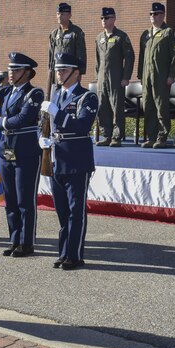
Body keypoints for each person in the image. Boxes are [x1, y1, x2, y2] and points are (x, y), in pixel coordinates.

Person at [40, 53, 98, 270]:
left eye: (63, 70)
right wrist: (42, 138)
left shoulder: (87, 98)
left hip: (77, 161)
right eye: (57, 70)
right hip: (56, 160)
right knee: (62, 210)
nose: (59, 74)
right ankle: (63, 252)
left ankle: (75, 255)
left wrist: (59, 114)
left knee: (76, 210)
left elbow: (82, 126)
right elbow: (46, 122)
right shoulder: (55, 97)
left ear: (76, 73)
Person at [0, 52, 44, 257]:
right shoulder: (4, 93)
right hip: (6, 150)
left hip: (26, 150)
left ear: (27, 73)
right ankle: (14, 239)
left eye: (16, 70)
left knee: (24, 199)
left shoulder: (34, 94)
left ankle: (26, 242)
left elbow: (22, 118)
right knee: (10, 198)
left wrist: (1, 123)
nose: (11, 73)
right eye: (10, 69)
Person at [138, 2, 175, 148]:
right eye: (151, 14)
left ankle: (162, 137)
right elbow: (142, 56)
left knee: (161, 106)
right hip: (147, 76)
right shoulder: (146, 34)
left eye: (155, 14)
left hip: (161, 76)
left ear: (162, 15)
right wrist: (140, 76)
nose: (152, 16)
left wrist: (172, 75)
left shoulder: (169, 33)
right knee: (148, 106)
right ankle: (151, 136)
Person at [94, 7, 135, 147]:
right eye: (102, 18)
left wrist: (126, 77)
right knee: (102, 107)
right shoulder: (99, 38)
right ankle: (106, 135)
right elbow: (97, 60)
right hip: (102, 78)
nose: (103, 21)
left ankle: (116, 136)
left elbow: (129, 57)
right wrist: (97, 77)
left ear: (114, 19)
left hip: (116, 77)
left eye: (106, 18)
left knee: (116, 107)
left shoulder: (121, 37)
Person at [48, 2, 87, 78]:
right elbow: (51, 56)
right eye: (58, 14)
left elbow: (81, 56)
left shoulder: (76, 32)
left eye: (62, 14)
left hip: (70, 75)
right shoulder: (54, 34)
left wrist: (79, 74)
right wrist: (51, 74)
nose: (59, 16)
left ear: (69, 15)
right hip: (57, 75)